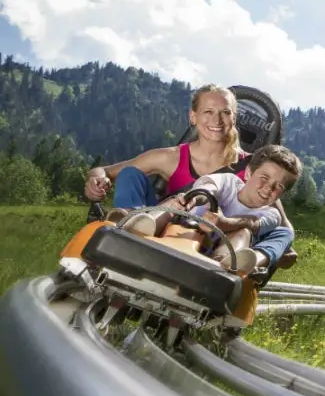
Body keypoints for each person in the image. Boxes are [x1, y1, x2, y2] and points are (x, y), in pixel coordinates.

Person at [82, 83, 297, 269]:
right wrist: (95, 181)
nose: (217, 120)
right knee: (130, 173)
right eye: (208, 112)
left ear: (234, 118)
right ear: (193, 117)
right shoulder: (170, 157)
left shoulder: (256, 169)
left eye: (225, 112)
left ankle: (228, 262)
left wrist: (277, 251)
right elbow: (103, 171)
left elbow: (282, 226)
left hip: (217, 241)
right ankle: (129, 227)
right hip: (165, 231)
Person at [139, 144, 302, 276]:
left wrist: (223, 222)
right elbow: (210, 186)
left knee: (244, 231)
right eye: (264, 178)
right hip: (184, 231)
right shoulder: (229, 181)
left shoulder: (271, 214)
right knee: (178, 200)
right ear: (248, 173)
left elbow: (251, 223)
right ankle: (143, 225)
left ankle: (226, 264)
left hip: (215, 251)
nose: (268, 187)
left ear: (282, 194)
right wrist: (197, 198)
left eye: (278, 186)